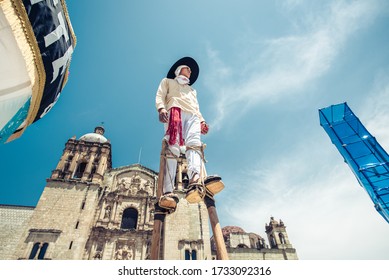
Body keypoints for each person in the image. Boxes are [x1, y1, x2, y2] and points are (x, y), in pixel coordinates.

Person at [155, 57, 209, 204]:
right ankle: (168, 190)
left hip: (192, 115)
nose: (190, 71)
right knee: (173, 147)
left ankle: (195, 178)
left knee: (194, 142)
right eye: (188, 68)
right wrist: (161, 108)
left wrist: (202, 120)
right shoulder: (168, 82)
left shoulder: (192, 90)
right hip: (175, 110)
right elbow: (160, 95)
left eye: (191, 70)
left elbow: (196, 107)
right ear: (179, 69)